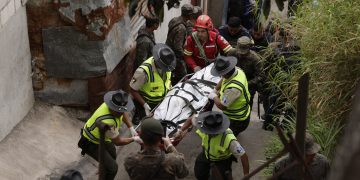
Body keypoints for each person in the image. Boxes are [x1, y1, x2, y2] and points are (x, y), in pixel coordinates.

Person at [77, 90, 142, 180]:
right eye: (119, 111)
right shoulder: (108, 122)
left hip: (103, 138)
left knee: (112, 154)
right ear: (112, 108)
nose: (121, 113)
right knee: (113, 169)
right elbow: (118, 141)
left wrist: (131, 127)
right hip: (91, 142)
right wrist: (134, 139)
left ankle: (103, 168)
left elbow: (123, 112)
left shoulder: (114, 106)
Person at [174, 111, 250, 179]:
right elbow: (192, 118)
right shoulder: (203, 124)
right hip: (206, 154)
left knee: (222, 177)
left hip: (222, 160)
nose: (208, 134)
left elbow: (243, 155)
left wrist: (246, 174)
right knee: (199, 173)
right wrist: (180, 131)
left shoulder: (229, 139)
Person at [124, 117, 189, 180]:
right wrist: (170, 146)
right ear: (161, 138)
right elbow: (184, 173)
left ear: (140, 136)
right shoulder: (173, 160)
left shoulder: (130, 160)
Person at [130, 43, 176, 124]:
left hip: (161, 100)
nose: (166, 69)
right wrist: (144, 105)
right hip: (147, 103)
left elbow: (167, 80)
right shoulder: (143, 72)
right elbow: (133, 90)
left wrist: (170, 87)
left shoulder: (168, 65)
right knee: (149, 124)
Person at [207, 56, 251, 136]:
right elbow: (223, 79)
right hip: (241, 111)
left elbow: (222, 106)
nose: (220, 76)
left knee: (227, 138)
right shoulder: (237, 70)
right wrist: (215, 89)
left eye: (220, 74)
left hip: (236, 119)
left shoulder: (233, 88)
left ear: (226, 73)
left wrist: (213, 96)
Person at [228, 36, 264, 111]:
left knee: (246, 107)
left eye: (244, 53)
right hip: (232, 83)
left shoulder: (255, 59)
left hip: (248, 86)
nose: (241, 55)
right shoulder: (232, 53)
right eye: (240, 52)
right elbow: (227, 67)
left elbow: (260, 76)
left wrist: (246, 84)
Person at [166, 4, 195, 85]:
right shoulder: (181, 28)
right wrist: (186, 57)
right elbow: (178, 48)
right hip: (174, 56)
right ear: (189, 15)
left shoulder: (174, 20)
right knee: (183, 76)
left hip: (167, 51)